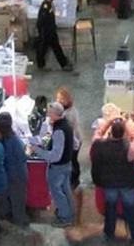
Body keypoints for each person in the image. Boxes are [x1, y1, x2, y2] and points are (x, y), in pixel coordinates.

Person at [91, 117, 134, 243]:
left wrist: (108, 123)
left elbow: (97, 134)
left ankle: (109, 233)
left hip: (109, 183)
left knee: (110, 208)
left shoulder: (99, 145)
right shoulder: (129, 149)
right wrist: (126, 124)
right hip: (127, 183)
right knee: (131, 209)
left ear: (111, 132)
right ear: (123, 134)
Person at [32, 102, 75, 227]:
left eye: (50, 113)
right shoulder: (65, 125)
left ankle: (65, 217)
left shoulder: (59, 130)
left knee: (57, 192)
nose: (48, 115)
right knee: (66, 190)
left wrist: (37, 150)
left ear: (55, 114)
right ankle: (69, 213)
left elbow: (55, 156)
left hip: (58, 167)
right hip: (67, 164)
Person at [0, 112, 29, 227]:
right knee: (18, 200)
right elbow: (23, 157)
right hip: (18, 174)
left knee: (5, 199)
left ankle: (6, 217)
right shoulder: (14, 140)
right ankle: (19, 221)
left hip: (4, 174)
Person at [56, 86, 83, 216]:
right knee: (74, 161)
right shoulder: (70, 110)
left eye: (61, 99)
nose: (58, 101)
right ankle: (75, 179)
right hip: (75, 140)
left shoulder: (68, 114)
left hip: (73, 142)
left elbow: (70, 132)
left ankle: (74, 180)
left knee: (72, 161)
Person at [35, 0, 73, 71]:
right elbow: (42, 19)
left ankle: (63, 63)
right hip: (47, 31)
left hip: (50, 29)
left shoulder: (49, 3)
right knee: (46, 48)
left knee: (53, 47)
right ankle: (62, 64)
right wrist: (42, 30)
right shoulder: (46, 5)